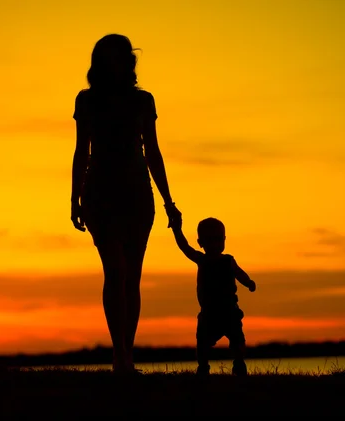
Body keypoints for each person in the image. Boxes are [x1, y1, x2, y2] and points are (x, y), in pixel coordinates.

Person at [70, 34, 182, 374]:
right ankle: (119, 353)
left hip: (137, 193)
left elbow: (153, 152)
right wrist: (73, 197)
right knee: (114, 270)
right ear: (99, 62)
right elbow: (81, 151)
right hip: (100, 192)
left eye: (121, 57)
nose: (116, 63)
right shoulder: (86, 101)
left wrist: (169, 201)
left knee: (131, 276)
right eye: (109, 57)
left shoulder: (143, 101)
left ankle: (126, 354)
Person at [170, 216, 256, 376]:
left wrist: (248, 282)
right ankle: (203, 366)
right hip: (209, 312)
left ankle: (239, 363)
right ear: (201, 242)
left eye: (218, 239)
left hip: (229, 310)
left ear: (224, 240)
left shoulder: (228, 261)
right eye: (210, 240)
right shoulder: (201, 260)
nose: (215, 244)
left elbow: (239, 273)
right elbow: (184, 247)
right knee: (202, 342)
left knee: (237, 339)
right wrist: (177, 230)